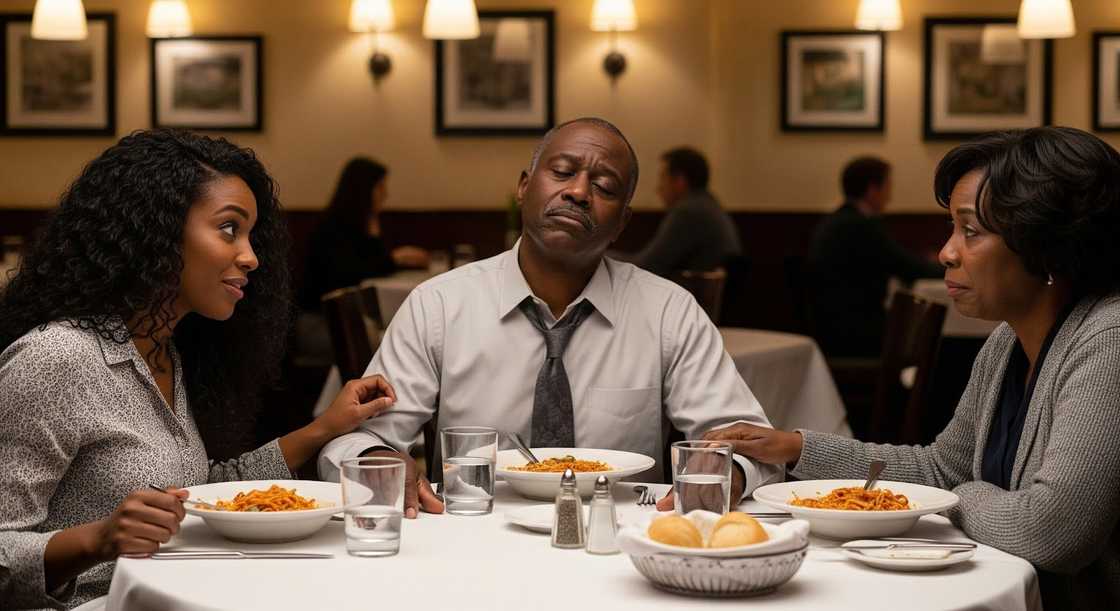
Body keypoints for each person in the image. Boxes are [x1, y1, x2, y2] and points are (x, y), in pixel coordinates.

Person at [703, 127, 1120, 609]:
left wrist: (960, 495)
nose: (947, 252)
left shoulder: (1107, 341)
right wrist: (795, 447)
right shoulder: (1007, 342)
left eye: (971, 231)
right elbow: (940, 469)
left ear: (1047, 245)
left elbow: (1053, 533)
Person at [0, 130, 398, 609]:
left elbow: (198, 491)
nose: (251, 257)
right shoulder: (57, 360)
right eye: (230, 229)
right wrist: (97, 539)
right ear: (156, 229)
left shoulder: (165, 352)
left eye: (251, 235)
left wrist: (325, 428)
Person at [318, 118, 782, 516]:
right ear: (524, 187)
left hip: (621, 544)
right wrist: (380, 458)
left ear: (622, 221)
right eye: (562, 172)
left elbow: (754, 445)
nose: (579, 192)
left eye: (604, 188)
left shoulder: (667, 311)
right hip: (470, 540)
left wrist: (729, 472)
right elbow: (352, 442)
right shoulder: (439, 305)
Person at [806, 156, 942, 357]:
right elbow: (910, 269)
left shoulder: (836, 221)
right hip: (854, 332)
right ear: (872, 190)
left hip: (830, 326)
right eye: (887, 186)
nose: (889, 196)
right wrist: (952, 267)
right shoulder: (860, 226)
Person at [298, 157, 429, 311]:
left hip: (352, 311)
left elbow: (374, 268)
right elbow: (351, 276)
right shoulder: (332, 227)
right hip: (323, 316)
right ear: (363, 189)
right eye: (380, 187)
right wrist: (396, 258)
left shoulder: (362, 222)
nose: (385, 194)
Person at [631, 147, 741, 278]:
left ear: (679, 181)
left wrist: (606, 258)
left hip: (693, 294)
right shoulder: (707, 204)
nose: (658, 188)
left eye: (663, 177)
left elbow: (648, 265)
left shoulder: (689, 212)